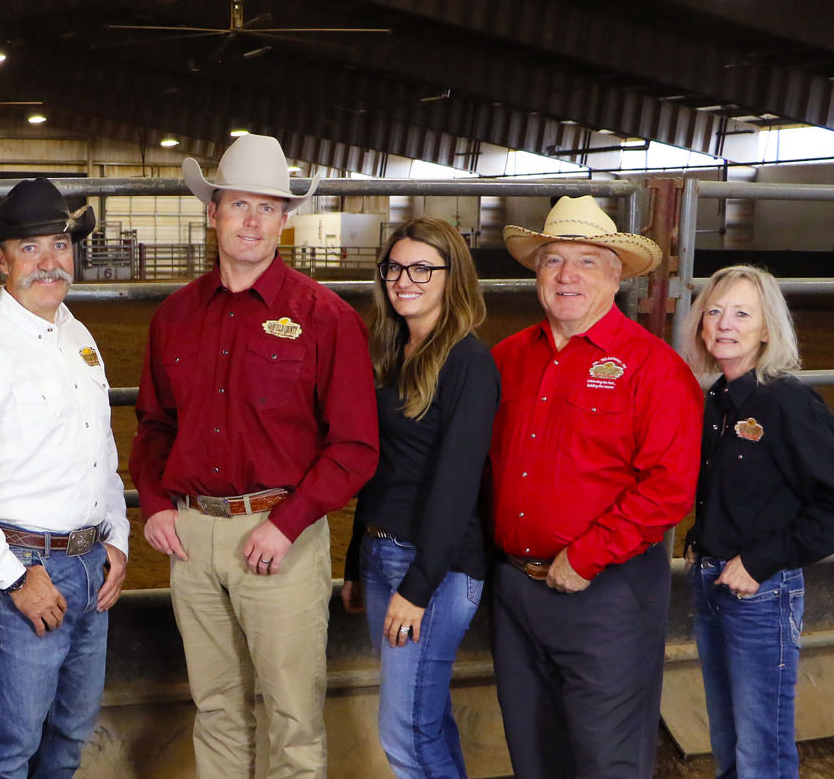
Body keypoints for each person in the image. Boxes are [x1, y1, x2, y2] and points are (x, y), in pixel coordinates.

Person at [130, 133, 379, 778]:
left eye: (267, 207)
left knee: (293, 713)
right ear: (212, 212)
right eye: (239, 204)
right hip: (192, 534)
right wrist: (156, 505)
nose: (251, 220)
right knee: (214, 705)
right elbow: (153, 423)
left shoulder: (325, 318)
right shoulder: (176, 315)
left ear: (284, 219)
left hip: (280, 535)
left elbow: (354, 445)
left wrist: (286, 524)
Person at [486, 195, 703, 779]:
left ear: (616, 275)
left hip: (604, 592)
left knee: (606, 756)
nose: (567, 275)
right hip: (514, 588)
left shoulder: (654, 368)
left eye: (586, 261)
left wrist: (586, 556)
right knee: (533, 752)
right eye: (553, 260)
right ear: (536, 272)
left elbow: (669, 486)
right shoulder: (507, 359)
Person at [0, 178, 130, 778]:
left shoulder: (79, 337)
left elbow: (101, 451)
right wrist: (14, 579)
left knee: (69, 735)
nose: (49, 262)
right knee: (8, 747)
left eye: (59, 246)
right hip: (24, 567)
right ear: (2, 261)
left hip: (91, 566)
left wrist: (116, 536)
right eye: (31, 248)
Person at [340, 218, 499, 778]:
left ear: (451, 277)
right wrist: (356, 561)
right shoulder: (392, 353)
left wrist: (419, 585)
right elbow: (377, 467)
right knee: (424, 720)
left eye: (422, 269)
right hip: (385, 558)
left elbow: (457, 486)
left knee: (405, 731)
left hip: (435, 567)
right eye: (394, 268)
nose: (404, 280)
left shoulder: (468, 363)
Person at [679, 265, 834, 778]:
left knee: (760, 747)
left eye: (742, 313)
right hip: (711, 582)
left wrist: (761, 560)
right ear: (701, 325)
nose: (725, 324)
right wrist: (702, 543)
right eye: (714, 312)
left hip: (760, 592)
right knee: (728, 736)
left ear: (767, 329)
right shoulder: (716, 400)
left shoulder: (787, 403)